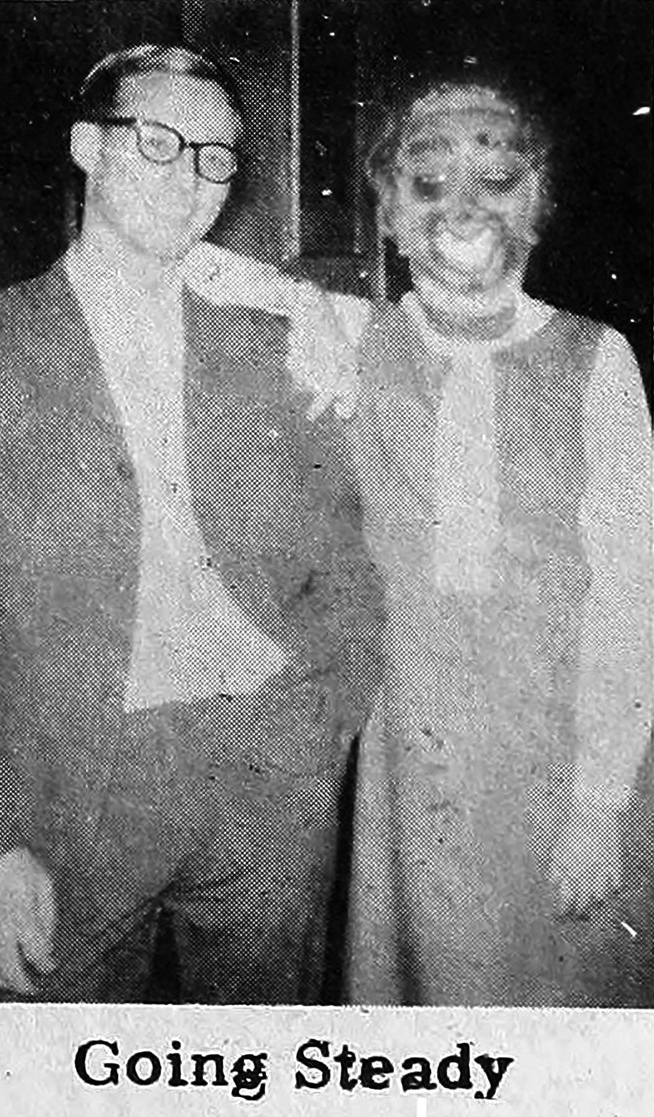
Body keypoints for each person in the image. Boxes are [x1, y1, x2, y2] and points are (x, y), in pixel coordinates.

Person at [0, 43, 384, 1004]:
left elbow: (347, 567)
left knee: (254, 1060)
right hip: (63, 798)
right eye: (157, 141)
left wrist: (314, 734)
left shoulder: (279, 347)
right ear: (88, 147)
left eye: (215, 157)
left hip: (263, 777)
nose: (188, 177)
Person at [305, 76, 652, 1006]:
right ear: (387, 213)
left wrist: (599, 805)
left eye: (496, 180)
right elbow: (192, 271)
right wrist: (295, 303)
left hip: (569, 760)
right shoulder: (350, 342)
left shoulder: (596, 358)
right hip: (416, 772)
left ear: (536, 204)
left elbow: (633, 595)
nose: (462, 207)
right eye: (427, 183)